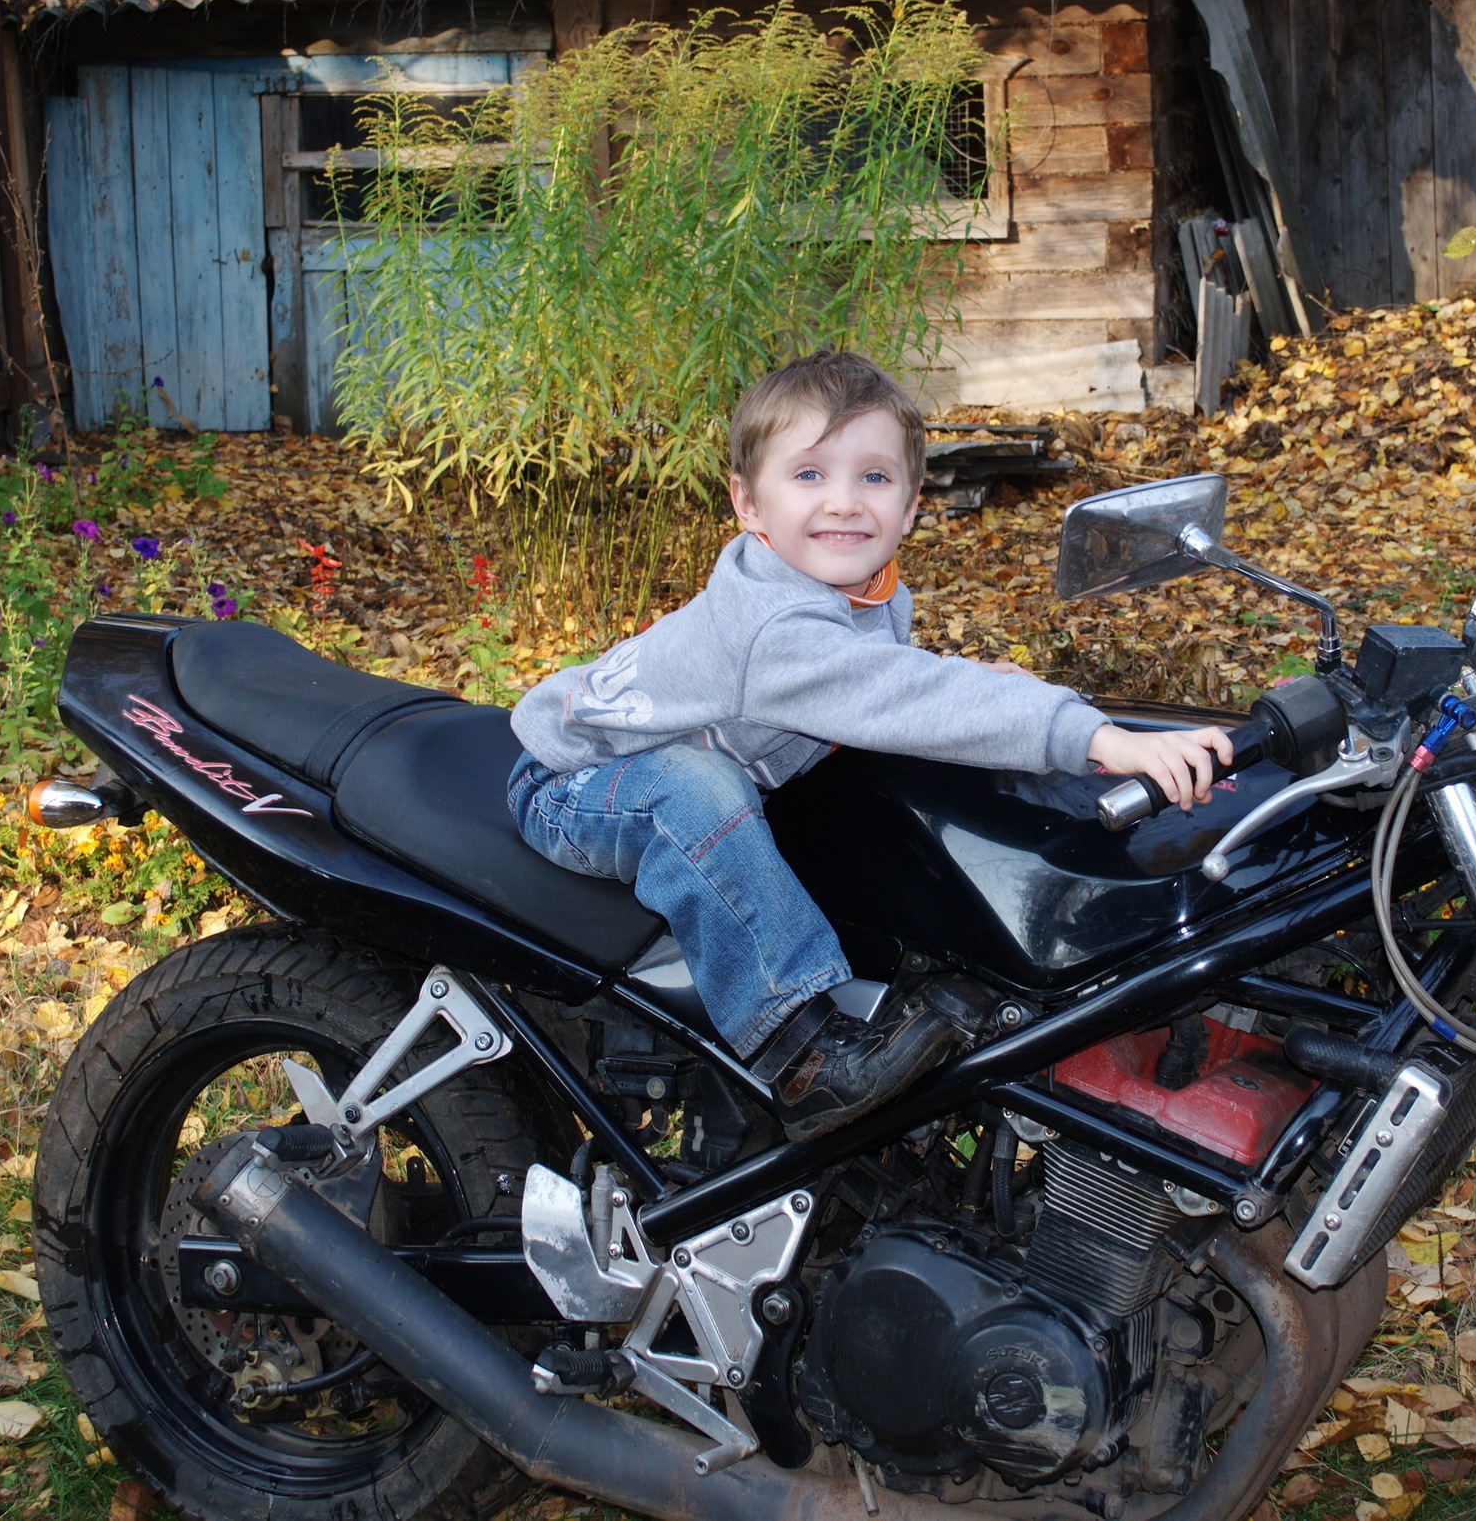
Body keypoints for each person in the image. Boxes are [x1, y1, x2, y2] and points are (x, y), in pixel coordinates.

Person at [508, 352, 1233, 1138]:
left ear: (912, 505)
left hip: (683, 762)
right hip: (576, 781)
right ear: (748, 503)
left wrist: (982, 694)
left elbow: (883, 687)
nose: (845, 502)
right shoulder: (771, 628)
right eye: (809, 475)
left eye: (875, 477)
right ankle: (800, 1053)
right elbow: (899, 692)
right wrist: (1093, 737)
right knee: (694, 792)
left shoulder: (864, 588)